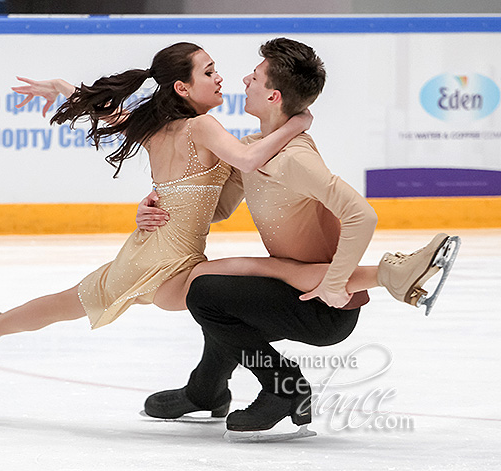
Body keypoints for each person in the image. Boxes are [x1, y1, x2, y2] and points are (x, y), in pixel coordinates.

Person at [139, 38, 459, 434]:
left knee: (205, 293)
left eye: (254, 77)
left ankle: (283, 388)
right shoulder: (255, 148)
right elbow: (218, 209)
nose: (243, 79)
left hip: (322, 307)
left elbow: (362, 214)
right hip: (298, 287)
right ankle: (205, 392)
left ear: (272, 95)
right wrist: (156, 204)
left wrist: (336, 283)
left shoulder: (296, 158)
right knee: (221, 301)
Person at [0, 42, 318, 357]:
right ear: (182, 88)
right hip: (172, 266)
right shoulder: (202, 126)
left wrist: (61, 86)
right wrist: (295, 124)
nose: (219, 77)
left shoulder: (153, 128)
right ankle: (363, 280)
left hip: (147, 255)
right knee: (273, 270)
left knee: (64, 304)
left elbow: (111, 115)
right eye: (208, 72)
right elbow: (248, 159)